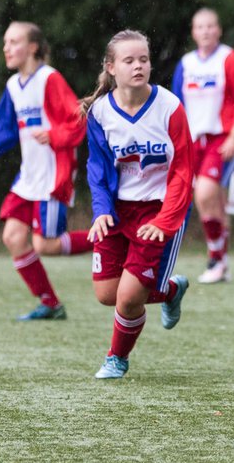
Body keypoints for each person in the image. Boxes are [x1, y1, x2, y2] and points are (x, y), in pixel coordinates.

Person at [81, 30, 195, 379]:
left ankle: (116, 358)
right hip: (118, 211)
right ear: (111, 67)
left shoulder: (169, 107)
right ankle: (171, 289)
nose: (138, 66)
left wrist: (165, 221)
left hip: (157, 211)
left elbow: (183, 171)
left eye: (143, 59)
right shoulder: (100, 112)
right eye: (129, 60)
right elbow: (97, 170)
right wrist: (101, 211)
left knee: (129, 298)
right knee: (107, 295)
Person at [0, 22, 93, 320]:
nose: (6, 48)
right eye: (5, 42)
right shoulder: (14, 86)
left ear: (33, 47)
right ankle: (50, 303)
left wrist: (54, 136)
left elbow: (77, 123)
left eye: (13, 42)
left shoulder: (49, 79)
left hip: (52, 176)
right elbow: (4, 135)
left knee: (46, 244)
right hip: (29, 177)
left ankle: (109, 237)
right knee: (13, 237)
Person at [173, 8, 234, 284]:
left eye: (210, 26)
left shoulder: (229, 60)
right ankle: (223, 264)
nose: (206, 31)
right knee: (215, 201)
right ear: (193, 32)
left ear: (218, 30)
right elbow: (176, 105)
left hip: (222, 139)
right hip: (193, 141)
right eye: (200, 27)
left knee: (205, 194)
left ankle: (215, 259)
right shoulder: (186, 64)